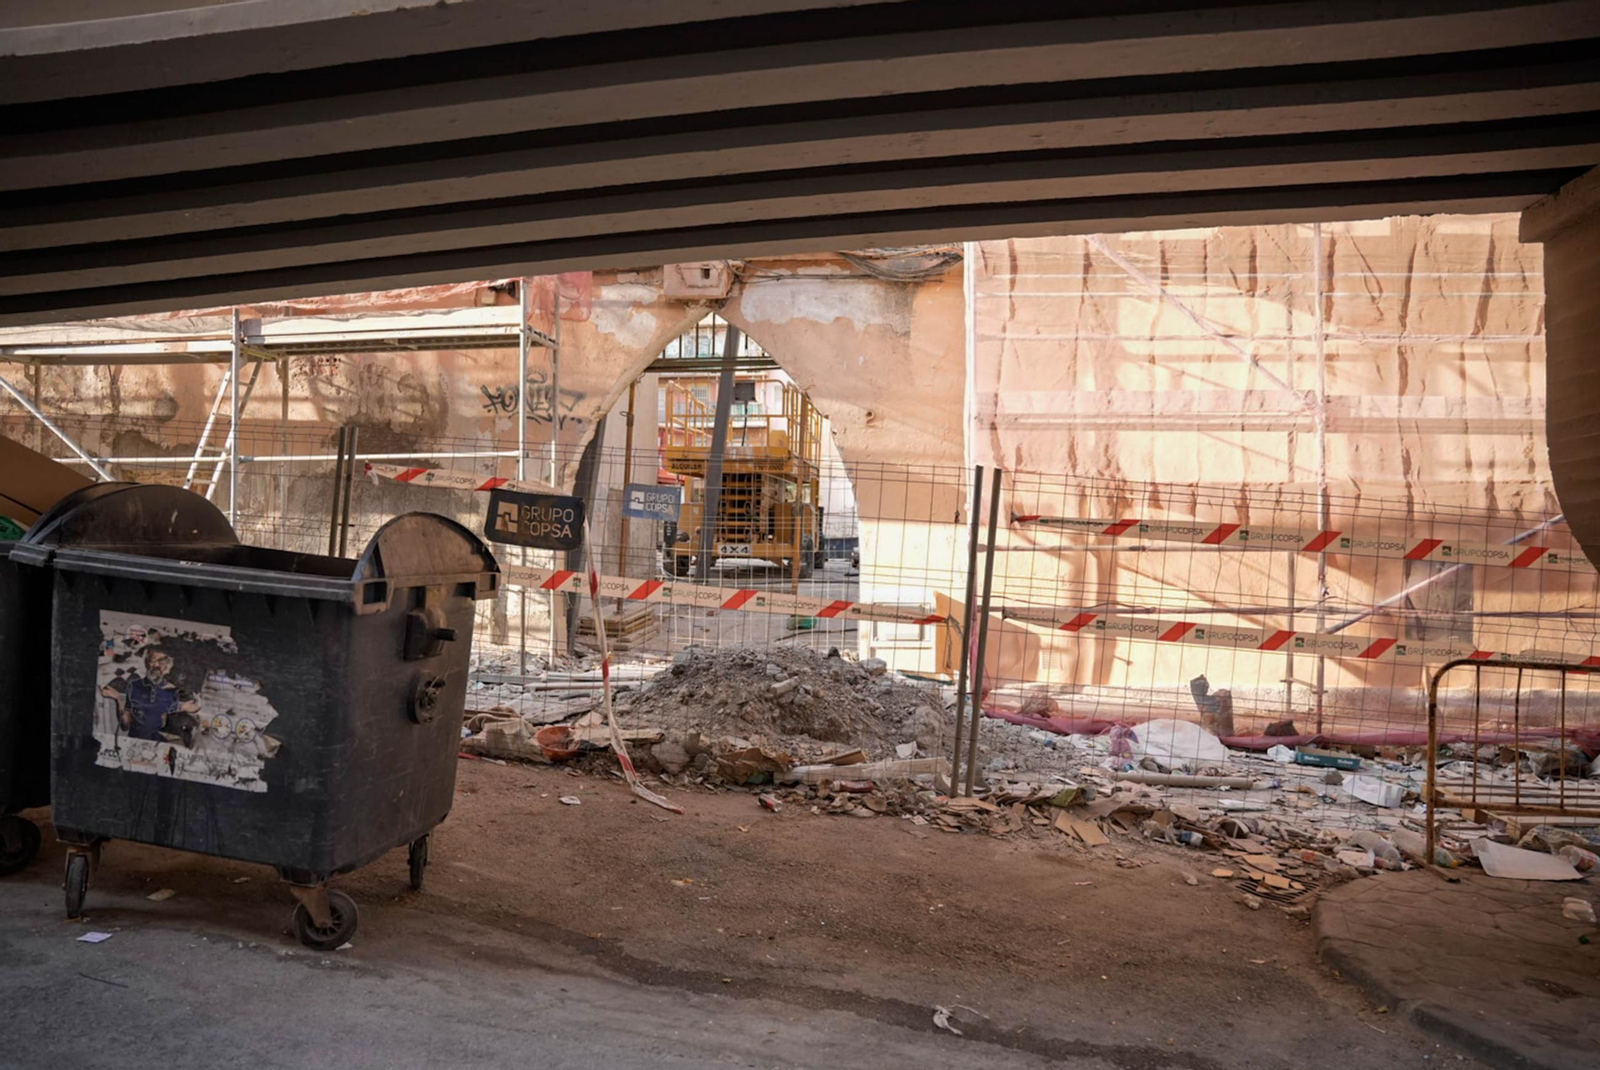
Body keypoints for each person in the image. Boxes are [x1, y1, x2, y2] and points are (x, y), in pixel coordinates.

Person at [100, 649, 199, 743]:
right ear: (147, 663)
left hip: (157, 741)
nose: (156, 665)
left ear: (169, 665)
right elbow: (125, 725)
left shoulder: (173, 691)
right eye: (152, 661)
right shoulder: (134, 686)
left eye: (161, 661)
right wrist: (118, 699)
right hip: (134, 740)